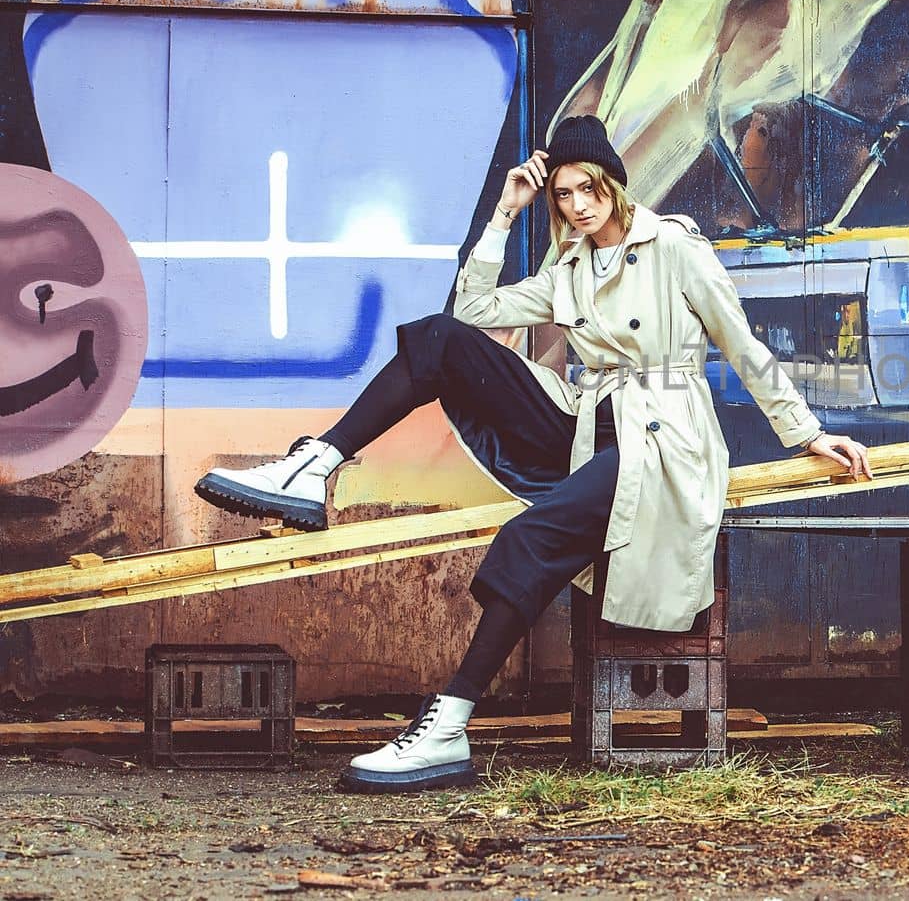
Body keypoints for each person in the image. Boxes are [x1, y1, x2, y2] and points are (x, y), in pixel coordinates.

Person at [193, 115, 872, 792]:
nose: (576, 205)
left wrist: (808, 432)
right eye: (563, 195)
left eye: (586, 189)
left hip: (663, 437)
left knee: (528, 538)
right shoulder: (569, 267)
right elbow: (474, 311)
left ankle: (448, 724)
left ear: (612, 182)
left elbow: (743, 344)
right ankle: (315, 465)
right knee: (437, 339)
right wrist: (504, 213)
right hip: (583, 425)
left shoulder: (672, 247)